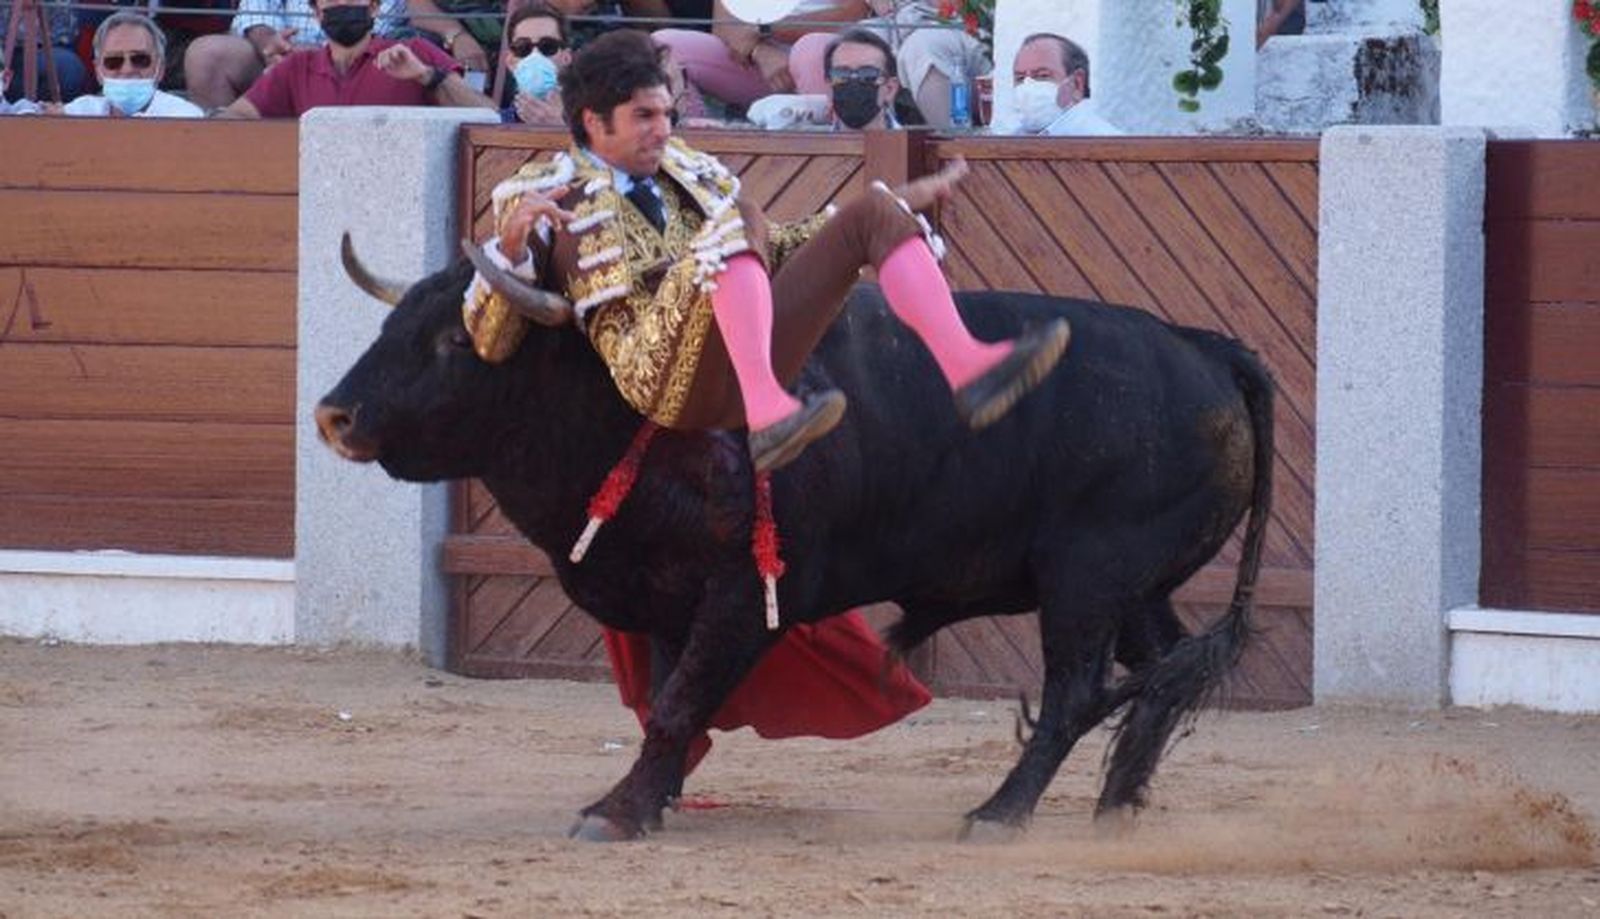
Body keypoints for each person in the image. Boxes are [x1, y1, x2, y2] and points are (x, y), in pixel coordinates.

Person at [464, 28, 1069, 474]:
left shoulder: (691, 170)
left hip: (744, 361)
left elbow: (769, 248)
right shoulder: (535, 194)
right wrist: (512, 250)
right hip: (659, 376)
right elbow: (489, 342)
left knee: (875, 212)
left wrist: (886, 204)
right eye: (644, 116)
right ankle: (767, 414)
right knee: (741, 219)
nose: (664, 130)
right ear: (593, 121)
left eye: (667, 113)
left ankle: (968, 368)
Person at [216, 0, 494, 118]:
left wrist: (427, 76)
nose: (342, 4)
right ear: (316, 13)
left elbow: (487, 114)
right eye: (331, 1)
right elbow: (238, 116)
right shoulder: (295, 68)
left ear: (374, 8)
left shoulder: (415, 52)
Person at [788, 0, 990, 129]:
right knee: (841, 50)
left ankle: (955, 147)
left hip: (963, 25)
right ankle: (850, 156)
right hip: (896, 20)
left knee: (922, 47)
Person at [183, 0, 407, 111]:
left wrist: (313, 57)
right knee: (206, 54)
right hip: (277, 56)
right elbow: (253, 11)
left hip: (361, 62)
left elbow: (379, 24)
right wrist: (270, 42)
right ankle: (223, 159)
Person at [61, 11, 204, 117]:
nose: (127, 70)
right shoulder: (79, 112)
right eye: (113, 61)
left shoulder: (185, 117)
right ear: (98, 71)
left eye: (140, 60)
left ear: (160, 69)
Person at [1002, 31, 1121, 137]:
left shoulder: (1105, 144)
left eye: (1042, 76)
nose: (1027, 87)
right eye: (1020, 78)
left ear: (1077, 84)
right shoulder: (1011, 142)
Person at [820, 26, 919, 130]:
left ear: (890, 89)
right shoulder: (810, 145)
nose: (854, 82)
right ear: (829, 88)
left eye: (867, 75)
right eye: (841, 74)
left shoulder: (913, 146)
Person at [499, 1, 572, 123]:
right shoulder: (494, 125)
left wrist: (558, 126)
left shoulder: (593, 121)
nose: (535, 56)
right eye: (523, 47)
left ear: (566, 58)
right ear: (510, 61)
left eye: (548, 46)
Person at [1, 0, 87, 102]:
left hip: (50, 49)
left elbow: (66, 31)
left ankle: (56, 114)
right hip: (4, 51)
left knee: (70, 68)